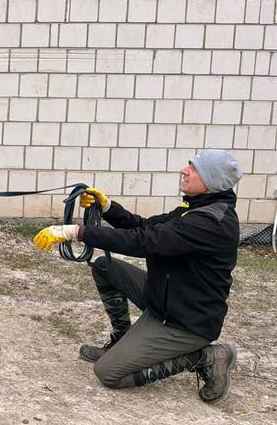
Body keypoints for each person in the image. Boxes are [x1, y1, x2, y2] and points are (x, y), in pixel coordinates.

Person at [31, 150, 243, 403]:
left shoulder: (209, 223)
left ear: (213, 181)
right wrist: (108, 208)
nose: (185, 171)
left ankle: (205, 357)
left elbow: (145, 241)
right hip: (165, 300)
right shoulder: (195, 209)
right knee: (105, 267)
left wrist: (78, 232)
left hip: (185, 322)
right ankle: (121, 340)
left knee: (108, 373)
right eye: (189, 165)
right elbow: (145, 226)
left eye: (195, 169)